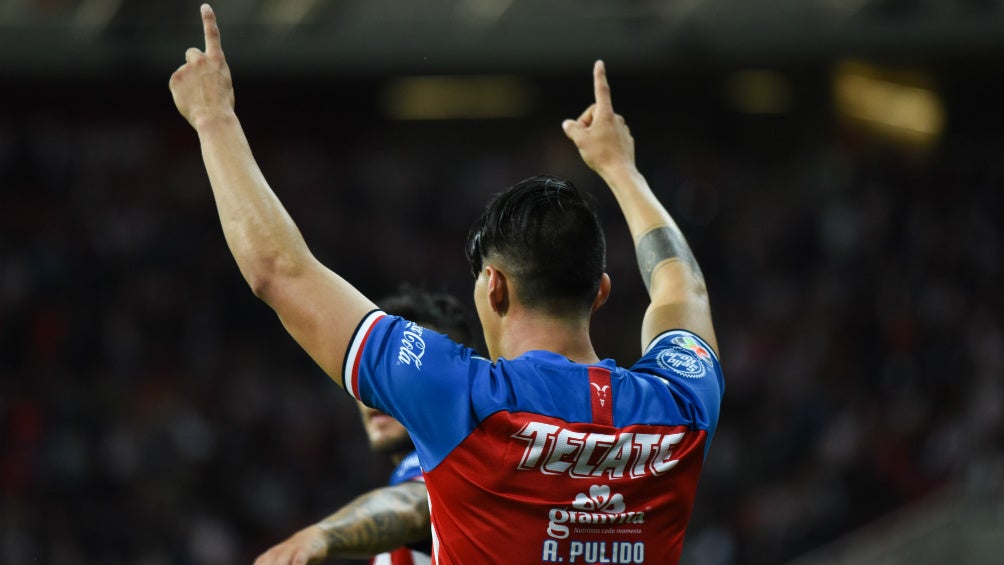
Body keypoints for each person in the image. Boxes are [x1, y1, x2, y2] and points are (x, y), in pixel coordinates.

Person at [170, 4, 723, 563]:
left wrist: (213, 119)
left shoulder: (460, 396)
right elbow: (683, 289)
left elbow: (279, 270)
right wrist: (622, 171)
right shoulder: (679, 404)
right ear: (601, 291)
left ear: (494, 287)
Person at [254, 287, 474, 565]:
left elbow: (415, 506)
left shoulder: (461, 468)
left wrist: (320, 535)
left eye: (404, 376)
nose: (381, 393)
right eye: (375, 376)